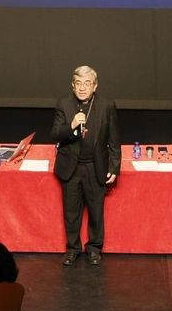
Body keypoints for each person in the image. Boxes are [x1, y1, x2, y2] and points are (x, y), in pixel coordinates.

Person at [50, 65, 120, 266]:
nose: (82, 88)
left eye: (87, 84)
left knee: (96, 211)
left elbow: (114, 139)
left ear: (95, 86)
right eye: (78, 83)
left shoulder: (107, 105)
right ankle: (73, 249)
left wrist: (114, 167)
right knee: (71, 213)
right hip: (71, 167)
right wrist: (71, 125)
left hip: (95, 166)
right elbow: (55, 134)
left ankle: (94, 248)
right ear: (73, 85)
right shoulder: (63, 104)